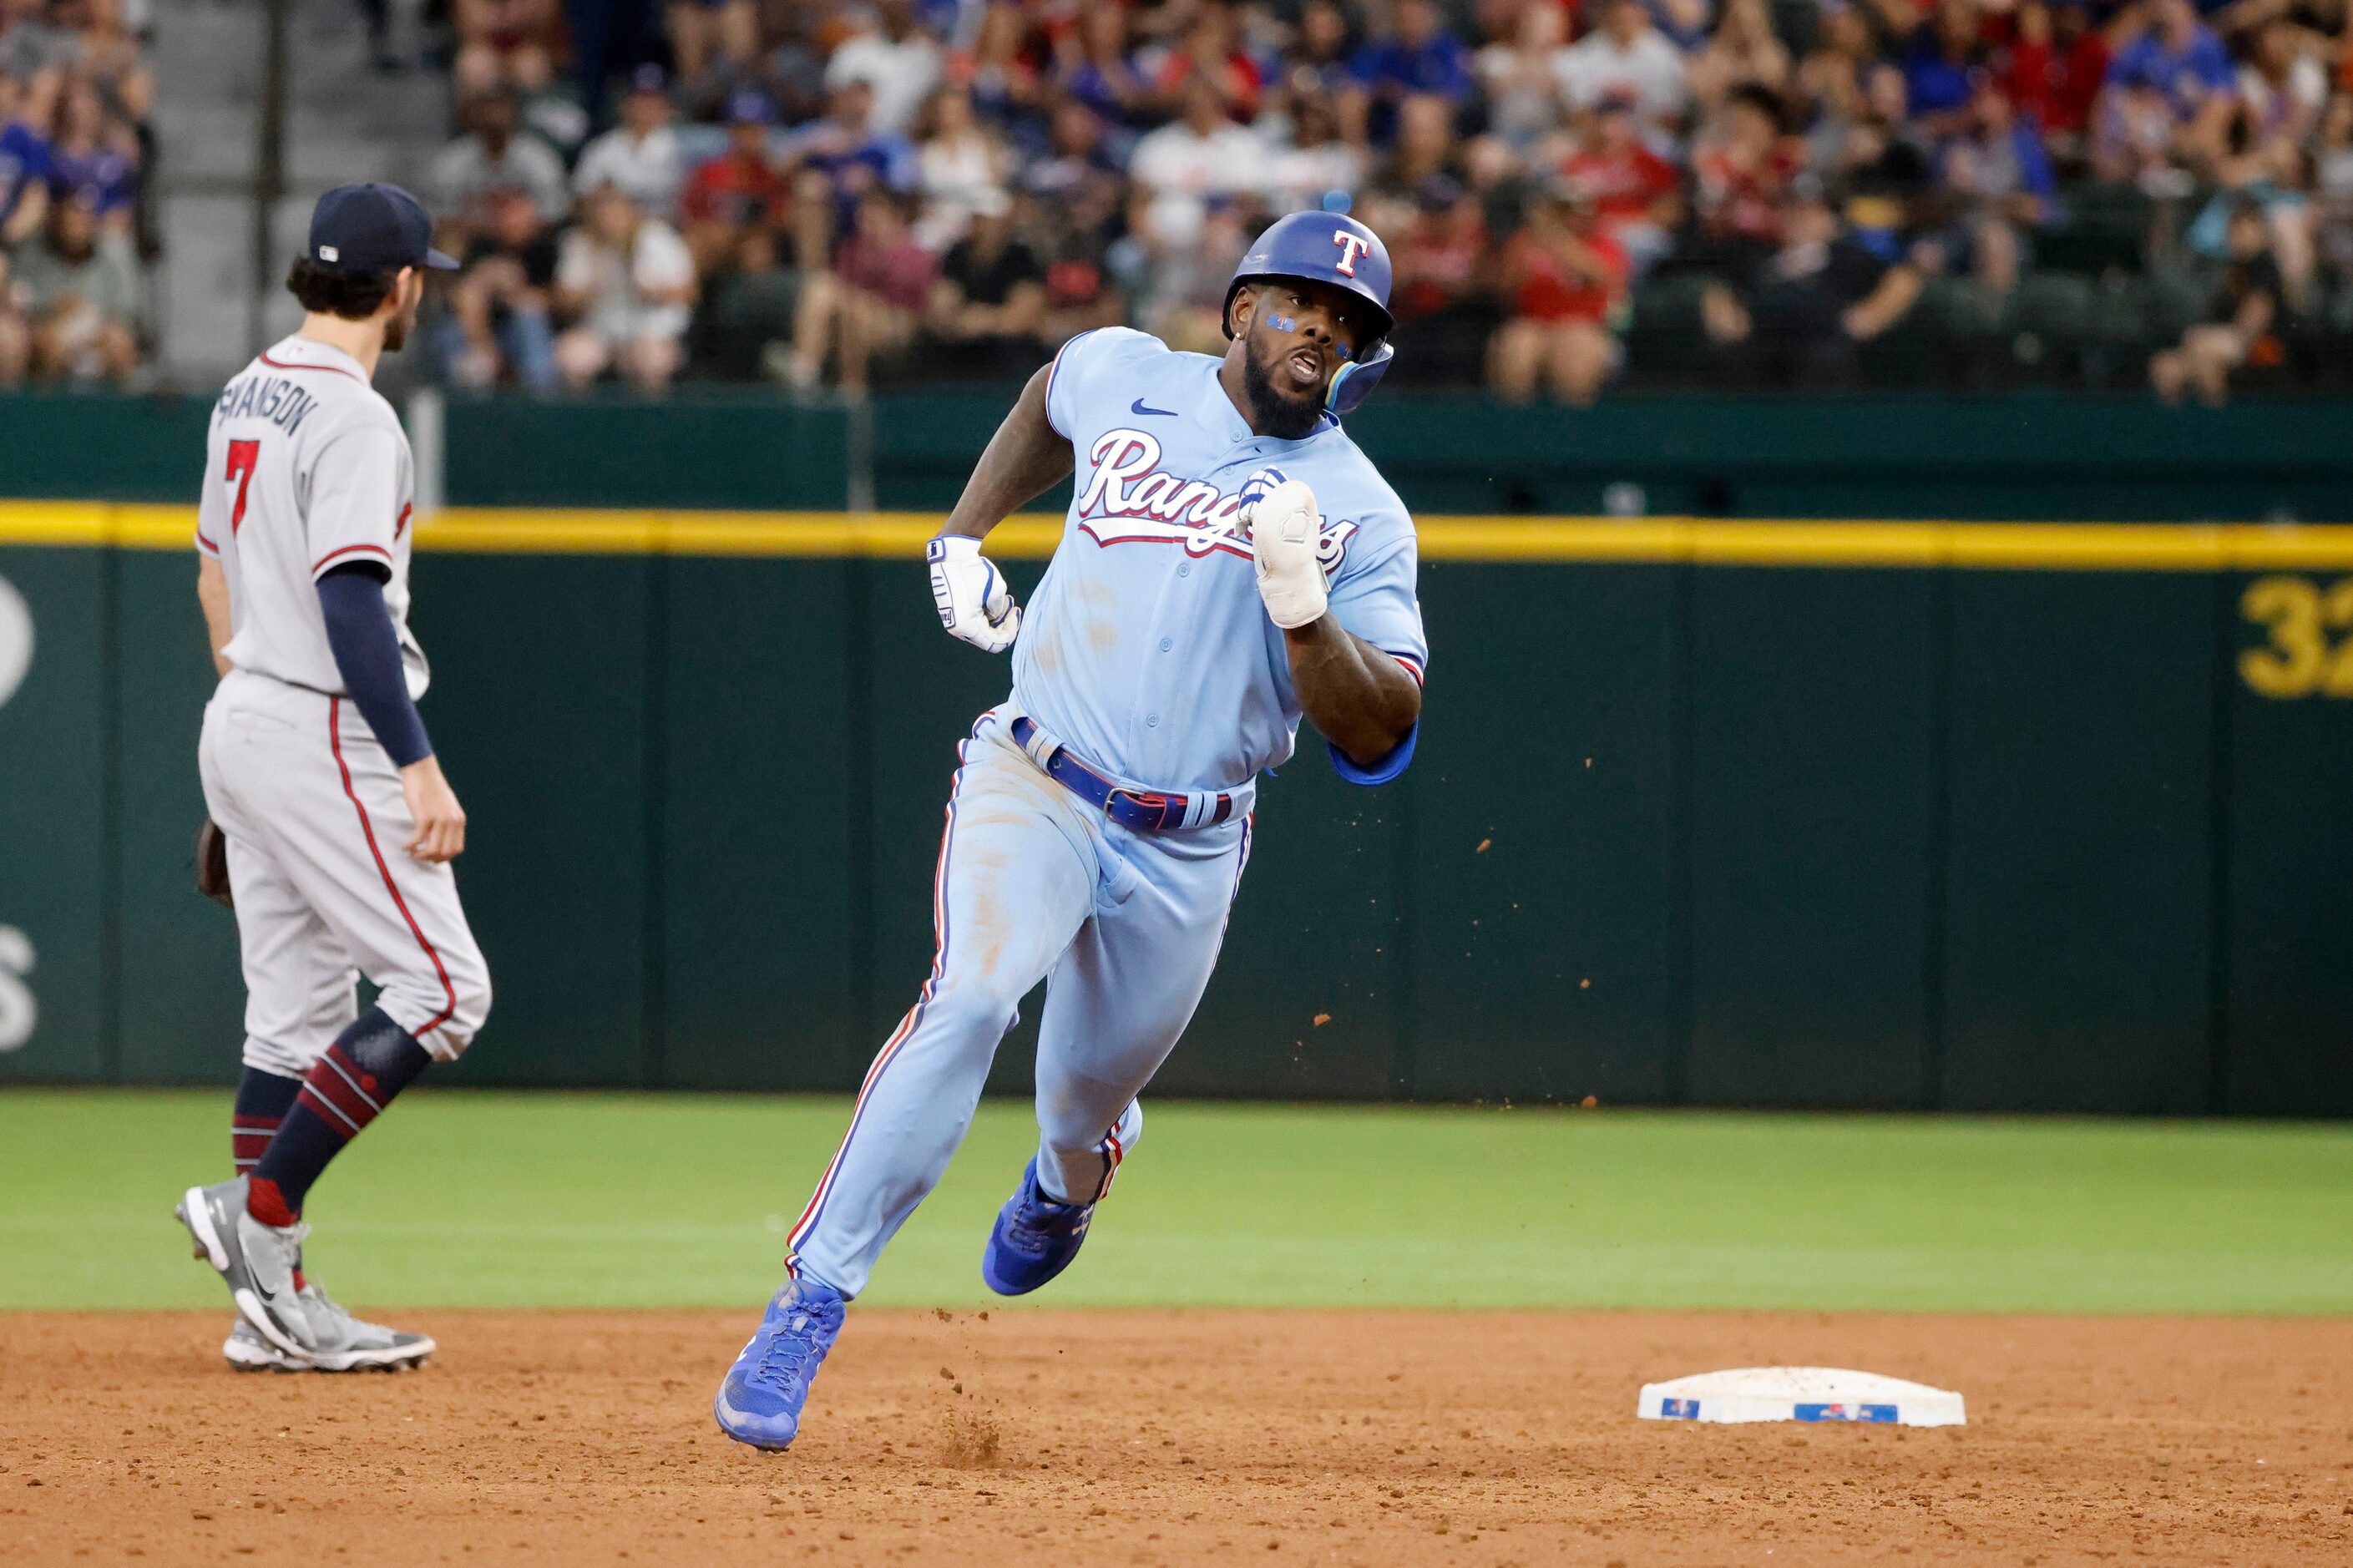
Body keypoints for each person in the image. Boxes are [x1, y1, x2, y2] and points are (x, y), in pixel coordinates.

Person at [711, 210, 1427, 1450]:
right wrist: (960, 531)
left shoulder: (1360, 513)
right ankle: (811, 1296)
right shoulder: (1124, 373)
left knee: (1081, 1101)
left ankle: (1068, 1177)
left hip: (1188, 843)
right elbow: (1049, 396)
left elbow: (1382, 732)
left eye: (1348, 320)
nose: (1320, 328)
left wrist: (1306, 616)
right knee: (972, 994)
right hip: (1035, 775)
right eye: (1299, 300)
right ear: (1238, 307)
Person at [176, 182, 491, 1373]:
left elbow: (214, 570)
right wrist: (415, 768)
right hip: (321, 724)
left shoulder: (245, 387)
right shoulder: (359, 421)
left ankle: (273, 1307)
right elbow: (348, 598)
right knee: (445, 990)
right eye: (426, 278)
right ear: (402, 284)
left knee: (296, 1018)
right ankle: (256, 1215)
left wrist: (242, 734)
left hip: (250, 709)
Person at [552, 182, 698, 392]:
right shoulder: (581, 242)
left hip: (654, 331)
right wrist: (598, 273)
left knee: (651, 360)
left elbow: (689, 292)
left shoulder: (657, 237)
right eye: (600, 211)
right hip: (601, 332)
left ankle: (652, 421)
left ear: (628, 210)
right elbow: (564, 300)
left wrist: (651, 289)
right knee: (572, 357)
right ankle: (580, 421)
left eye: (614, 209)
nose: (607, 218)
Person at [2150, 200, 2285, 405]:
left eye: (2242, 227)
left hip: (2264, 346)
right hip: (2224, 339)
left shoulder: (2263, 266)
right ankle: (2181, 431)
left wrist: (2207, 338)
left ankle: (2218, 423)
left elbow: (2252, 327)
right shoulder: (2235, 269)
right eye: (2233, 227)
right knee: (2164, 365)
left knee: (2203, 348)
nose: (2235, 235)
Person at [13, 186, 138, 381]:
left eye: (84, 216)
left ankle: (124, 410)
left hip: (100, 331)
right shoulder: (33, 253)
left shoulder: (115, 252)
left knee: (119, 342)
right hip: (51, 330)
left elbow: (126, 310)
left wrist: (90, 320)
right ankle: (43, 409)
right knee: (47, 344)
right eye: (72, 214)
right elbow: (23, 307)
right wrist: (58, 311)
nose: (77, 223)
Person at [572, 64, 685, 222]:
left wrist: (617, 192)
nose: (645, 107)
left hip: (663, 227)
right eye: (639, 99)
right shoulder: (602, 147)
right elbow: (580, 196)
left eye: (652, 100)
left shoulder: (681, 147)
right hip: (611, 228)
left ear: (666, 107)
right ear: (625, 105)